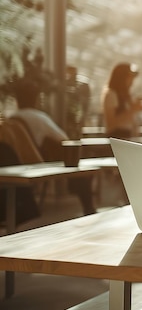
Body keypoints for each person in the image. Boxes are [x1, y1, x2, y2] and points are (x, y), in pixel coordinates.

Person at [9, 80, 95, 215]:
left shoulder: (11, 118)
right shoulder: (39, 117)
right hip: (39, 161)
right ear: (37, 98)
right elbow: (63, 138)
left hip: (19, 163)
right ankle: (88, 207)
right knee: (80, 167)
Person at [101, 62, 142, 138]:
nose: (132, 82)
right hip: (117, 138)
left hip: (129, 137)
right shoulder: (111, 94)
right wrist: (133, 110)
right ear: (121, 78)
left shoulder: (126, 96)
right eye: (129, 78)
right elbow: (111, 124)